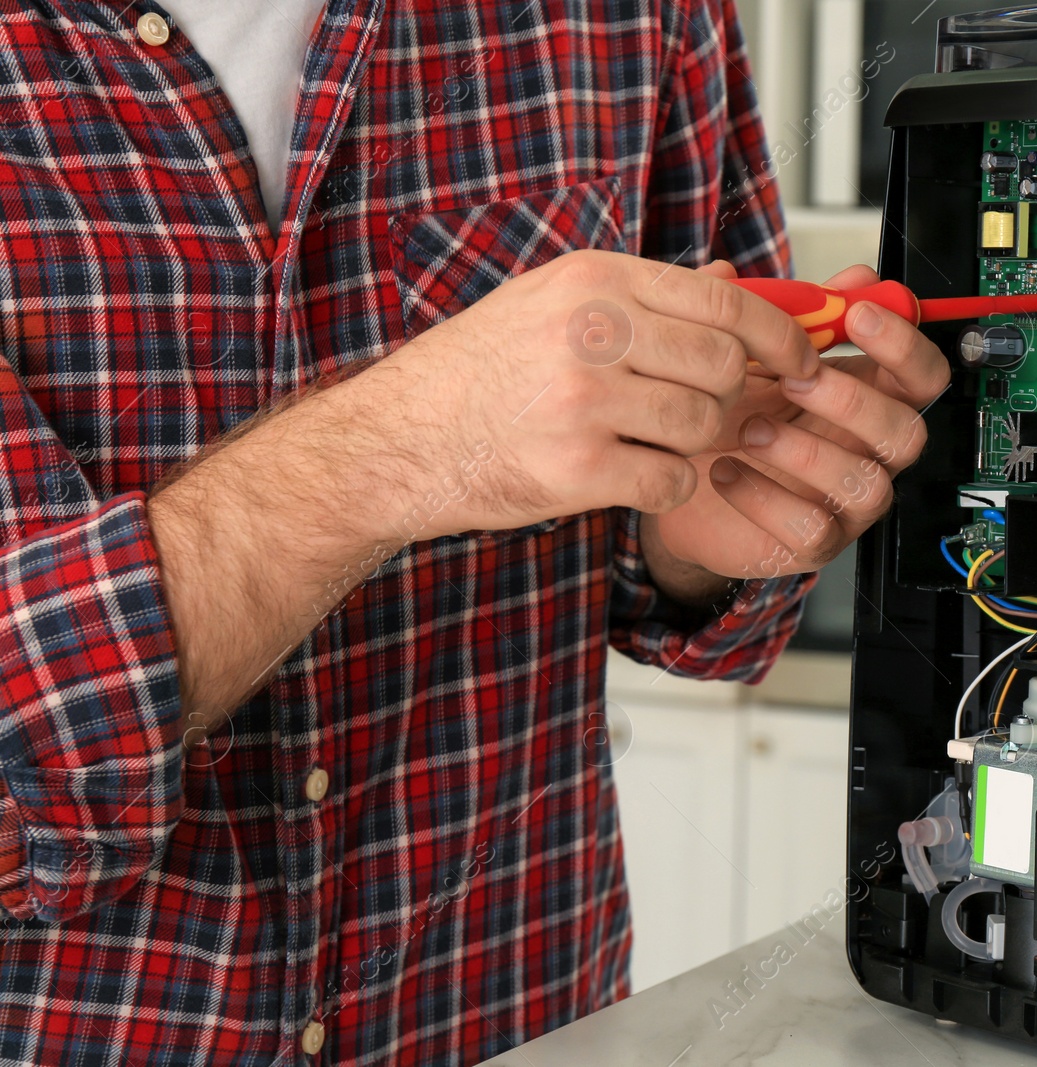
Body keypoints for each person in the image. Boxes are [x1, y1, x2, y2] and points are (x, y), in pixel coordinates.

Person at [0, 2, 946, 1064]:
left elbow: (681, 588)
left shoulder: (644, 18)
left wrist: (697, 522)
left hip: (522, 1018)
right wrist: (402, 444)